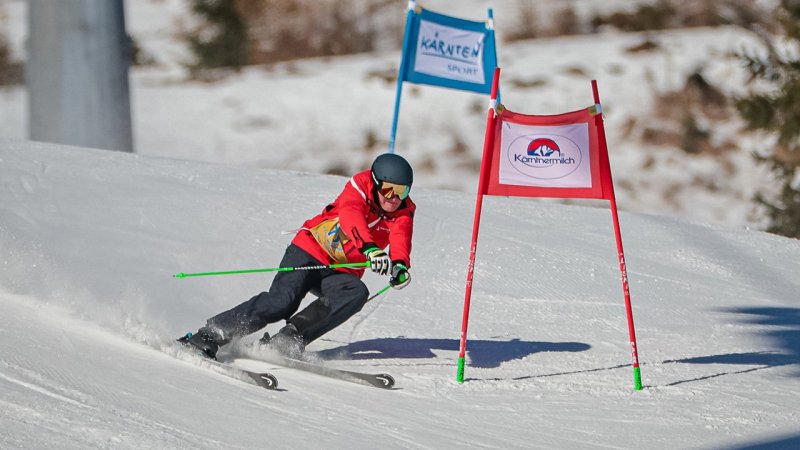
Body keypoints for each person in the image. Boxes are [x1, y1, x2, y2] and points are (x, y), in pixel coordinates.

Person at [181, 153, 415, 360]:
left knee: (355, 292)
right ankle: (211, 335)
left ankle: (290, 338)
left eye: (401, 191)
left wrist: (399, 266)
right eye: (387, 189)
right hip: (309, 251)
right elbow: (350, 216)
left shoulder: (403, 210)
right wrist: (370, 249)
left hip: (341, 270)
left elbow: (401, 237)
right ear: (375, 184)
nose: (393, 198)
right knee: (281, 302)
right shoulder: (358, 187)